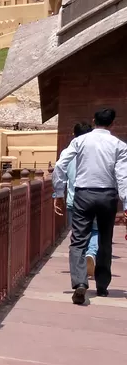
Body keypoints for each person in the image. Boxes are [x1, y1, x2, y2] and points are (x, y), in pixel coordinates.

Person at [53, 108, 127, 303]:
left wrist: (59, 193)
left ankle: (80, 282)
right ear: (112, 124)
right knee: (105, 240)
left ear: (94, 121)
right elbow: (123, 176)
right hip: (108, 196)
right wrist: (126, 204)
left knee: (78, 240)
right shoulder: (119, 145)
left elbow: (60, 165)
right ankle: (102, 286)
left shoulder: (80, 141)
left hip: (83, 194)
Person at [53, 123, 100, 278]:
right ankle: (91, 254)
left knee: (78, 233)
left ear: (74, 135)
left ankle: (81, 266)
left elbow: (60, 169)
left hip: (74, 200)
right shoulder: (97, 152)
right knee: (95, 230)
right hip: (95, 197)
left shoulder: (68, 152)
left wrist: (58, 194)